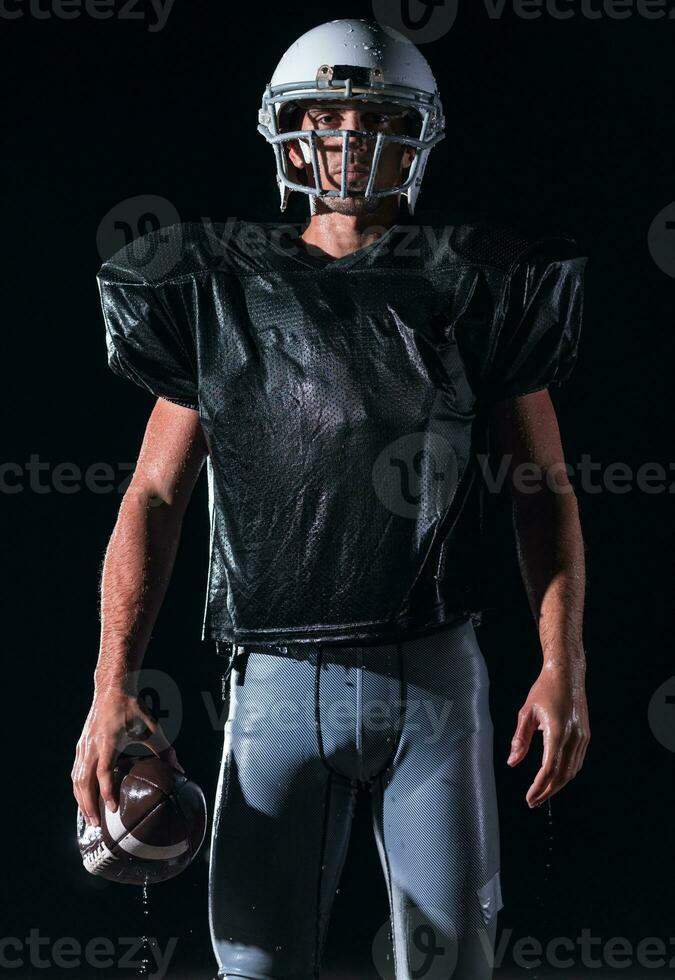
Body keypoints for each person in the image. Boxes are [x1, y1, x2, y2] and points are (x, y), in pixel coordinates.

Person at [71, 17, 591, 980]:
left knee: (451, 964)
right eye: (326, 114)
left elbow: (542, 489)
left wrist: (564, 662)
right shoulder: (218, 289)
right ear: (287, 128)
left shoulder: (480, 282)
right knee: (255, 967)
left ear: (418, 134)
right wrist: (111, 684)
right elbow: (150, 494)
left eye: (373, 116)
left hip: (433, 674)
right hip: (272, 683)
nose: (348, 138)